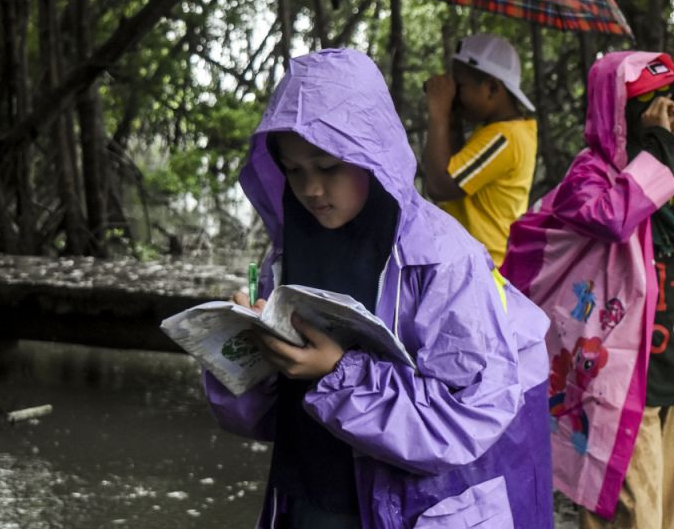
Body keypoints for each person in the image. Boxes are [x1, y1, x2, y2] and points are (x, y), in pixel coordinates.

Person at [204, 48, 553, 529]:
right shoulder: (285, 255)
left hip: (405, 509)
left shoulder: (443, 260)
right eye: (294, 170)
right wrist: (244, 351)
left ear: (372, 154)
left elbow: (469, 418)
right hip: (306, 497)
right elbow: (257, 418)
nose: (311, 189)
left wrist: (339, 372)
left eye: (328, 167)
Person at [501, 51, 674, 529]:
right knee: (632, 517)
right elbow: (610, 217)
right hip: (620, 386)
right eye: (649, 103)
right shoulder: (590, 178)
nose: (664, 112)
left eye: (669, 101)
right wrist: (662, 149)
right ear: (617, 112)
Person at [422, 34, 537, 299]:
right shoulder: (501, 133)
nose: (456, 95)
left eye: (460, 85)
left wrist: (438, 111)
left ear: (492, 89)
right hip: (474, 267)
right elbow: (453, 164)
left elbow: (441, 184)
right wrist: (449, 117)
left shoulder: (503, 138)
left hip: (484, 272)